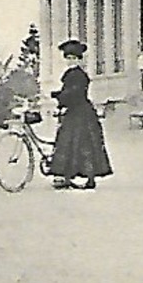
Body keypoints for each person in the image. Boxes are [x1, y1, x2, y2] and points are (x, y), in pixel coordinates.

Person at [49, 39, 112, 190]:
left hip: (82, 113)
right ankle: (67, 176)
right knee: (69, 143)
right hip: (75, 112)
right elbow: (69, 92)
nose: (70, 61)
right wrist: (59, 95)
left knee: (82, 144)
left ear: (79, 59)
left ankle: (88, 178)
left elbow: (75, 93)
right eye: (68, 58)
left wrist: (60, 97)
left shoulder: (80, 75)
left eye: (73, 58)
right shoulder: (71, 74)